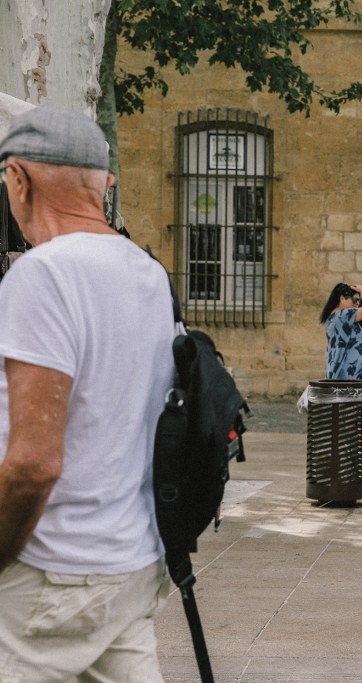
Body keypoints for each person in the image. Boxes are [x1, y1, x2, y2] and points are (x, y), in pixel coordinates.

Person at [0, 107, 177, 680]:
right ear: (105, 184)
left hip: (51, 573)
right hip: (131, 562)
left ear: (19, 180)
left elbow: (33, 464)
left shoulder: (41, 274)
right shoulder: (148, 273)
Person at [320, 281, 362, 381]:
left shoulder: (333, 317)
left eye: (359, 301)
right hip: (348, 374)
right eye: (355, 300)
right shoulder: (344, 315)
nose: (357, 304)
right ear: (342, 299)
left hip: (342, 371)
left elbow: (327, 348)